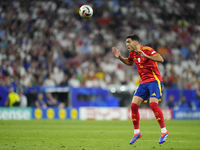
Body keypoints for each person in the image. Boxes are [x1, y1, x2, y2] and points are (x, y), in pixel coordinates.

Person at [112, 34, 168, 144]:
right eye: (126, 42)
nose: (127, 44)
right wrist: (120, 58)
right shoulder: (132, 53)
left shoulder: (147, 50)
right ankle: (137, 132)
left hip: (154, 81)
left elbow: (160, 59)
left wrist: (146, 56)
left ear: (136, 43)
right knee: (133, 106)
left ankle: (164, 131)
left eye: (129, 42)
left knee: (153, 104)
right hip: (143, 83)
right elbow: (129, 62)